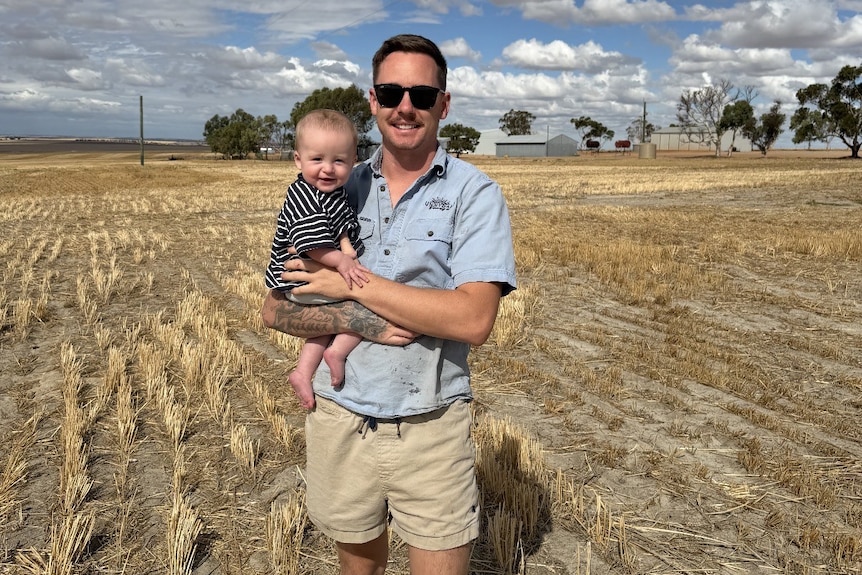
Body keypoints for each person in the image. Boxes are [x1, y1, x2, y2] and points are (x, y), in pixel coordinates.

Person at [261, 34, 517, 575]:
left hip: (432, 424)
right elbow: (276, 307)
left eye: (423, 94)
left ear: (443, 104)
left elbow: (473, 319)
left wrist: (349, 286)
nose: (406, 106)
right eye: (391, 91)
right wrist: (365, 321)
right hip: (339, 417)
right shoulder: (333, 183)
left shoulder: (476, 194)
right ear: (373, 100)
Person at [264, 108, 370, 410]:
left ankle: (303, 371)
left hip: (309, 277)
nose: (328, 169)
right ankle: (336, 353)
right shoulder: (305, 196)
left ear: (353, 162)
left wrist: (346, 247)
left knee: (326, 323)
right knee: (365, 308)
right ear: (298, 160)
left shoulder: (331, 193)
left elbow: (338, 230)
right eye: (317, 159)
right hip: (297, 279)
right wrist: (343, 262)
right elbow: (310, 246)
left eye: (339, 161)